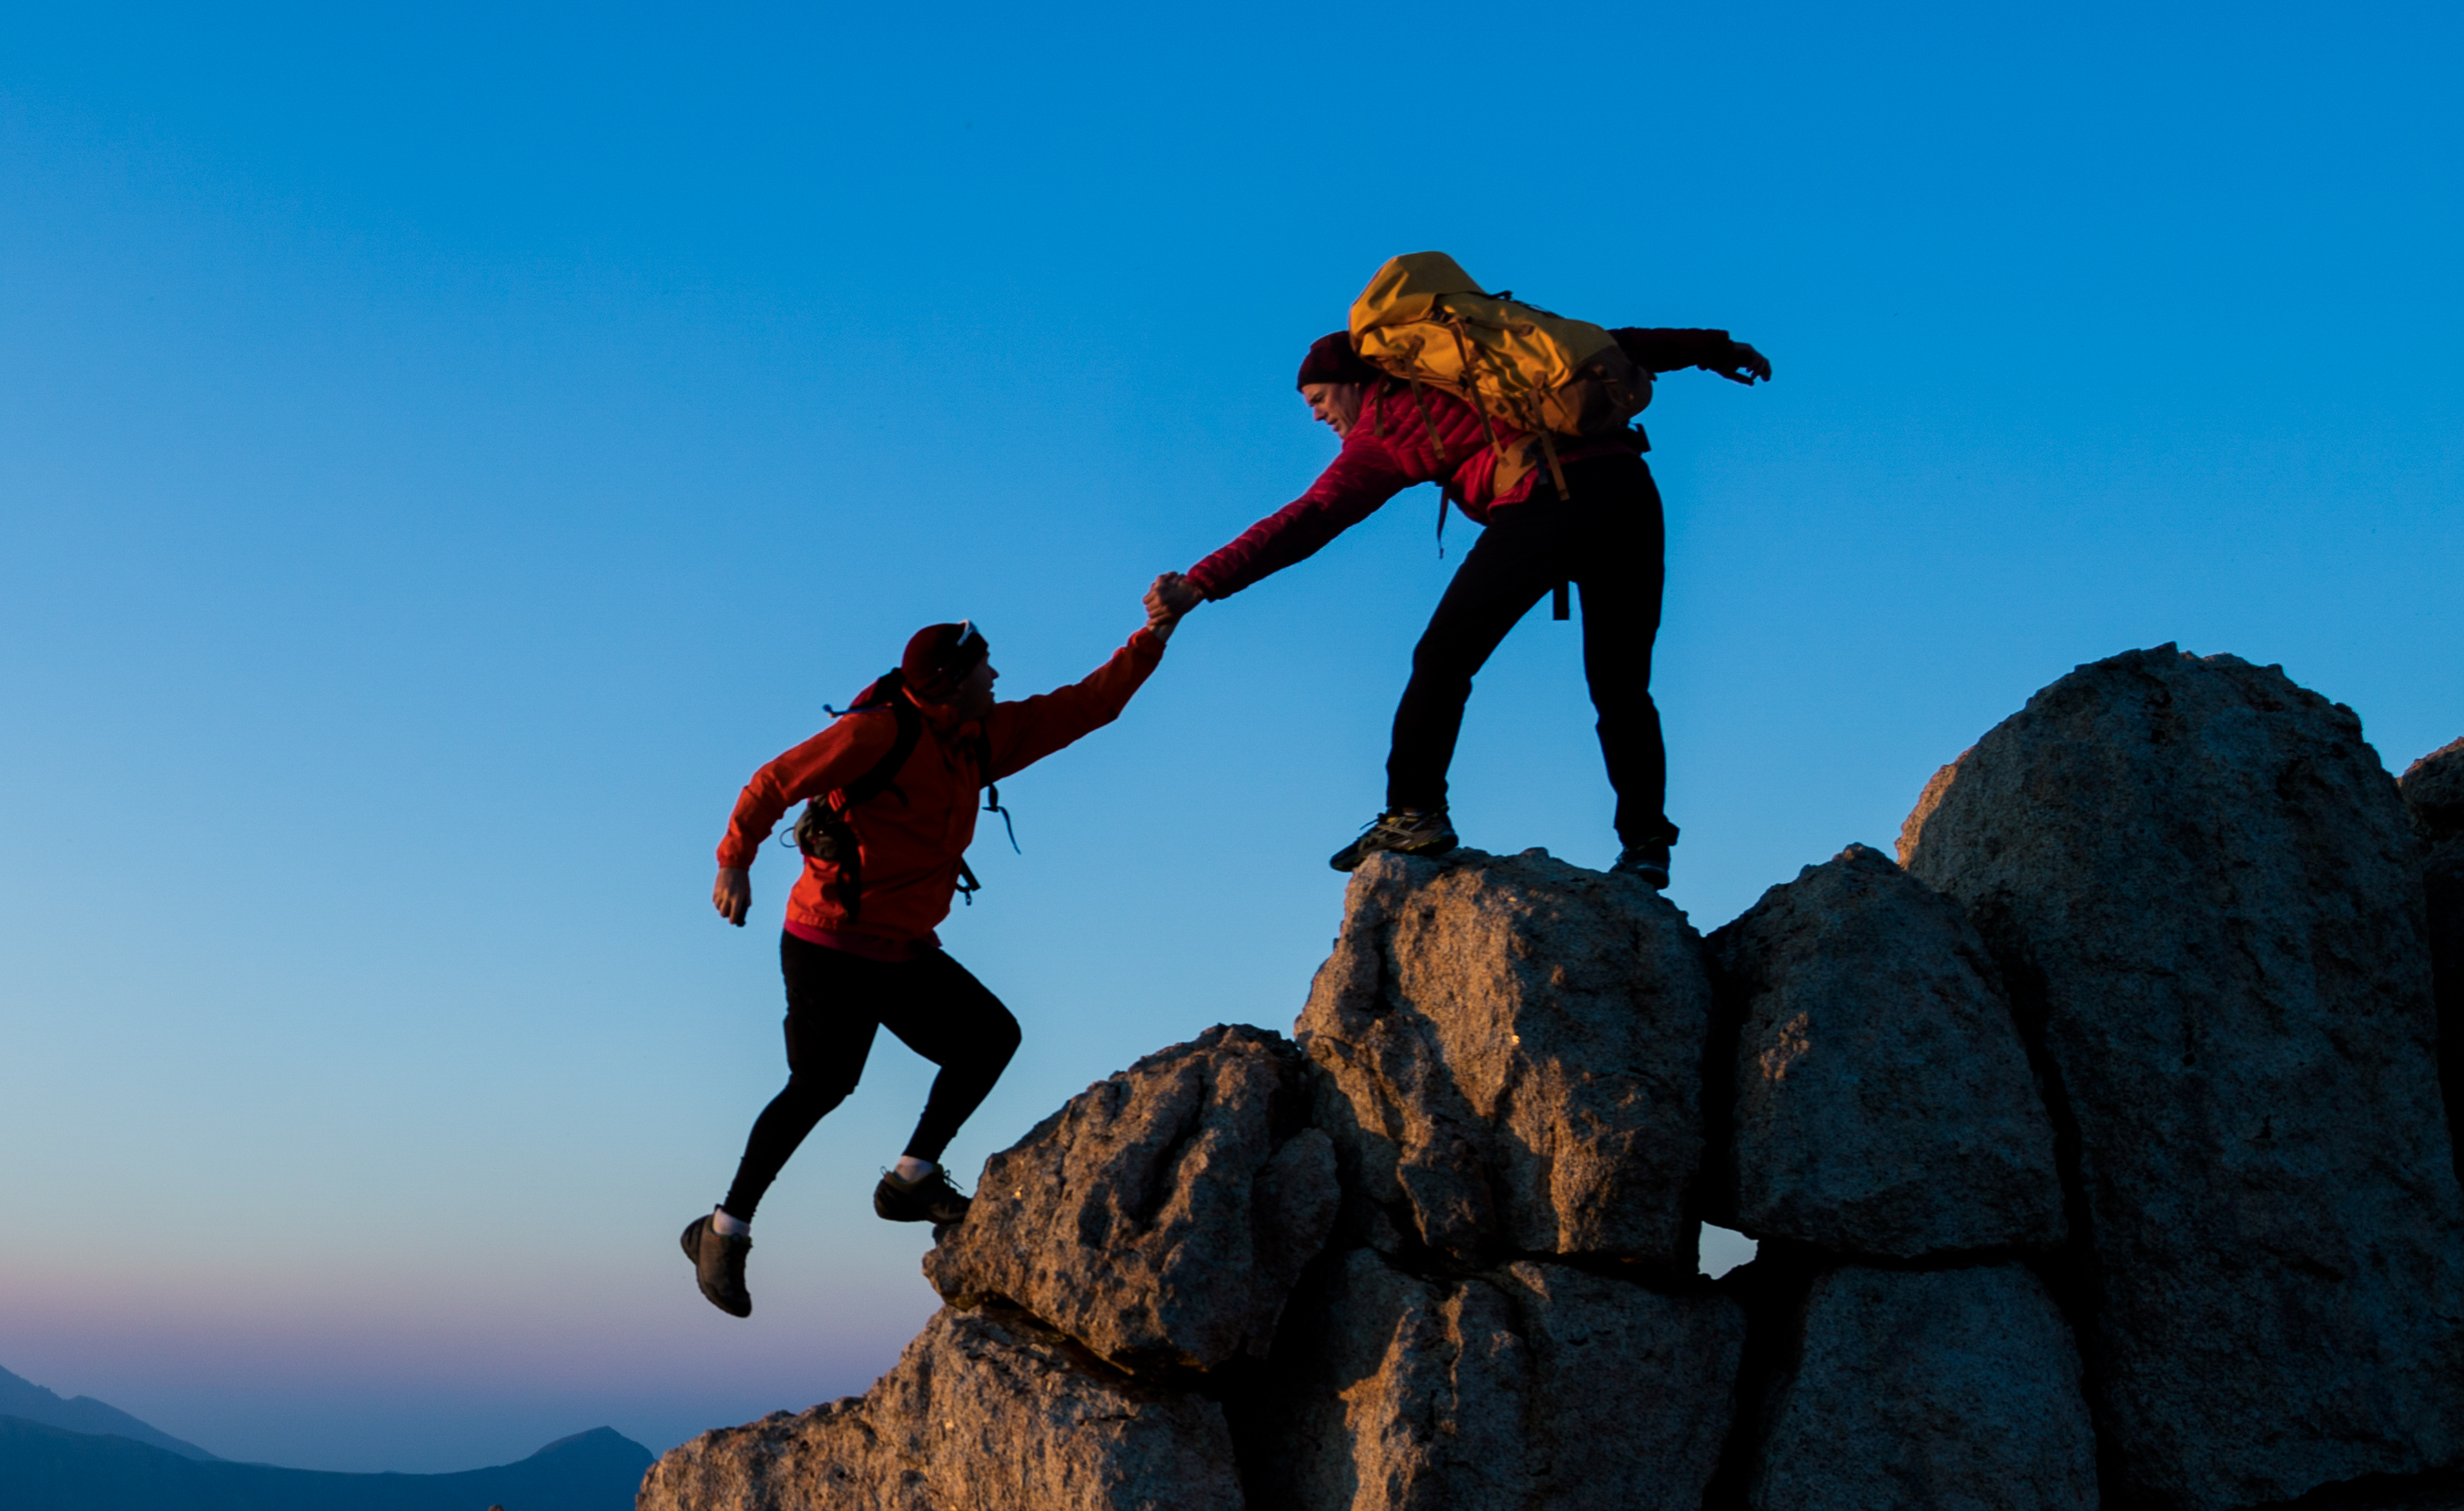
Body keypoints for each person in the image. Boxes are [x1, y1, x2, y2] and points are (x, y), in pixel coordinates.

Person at [1146, 310, 1769, 887]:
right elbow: (1615, 345)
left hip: (1549, 498)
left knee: (1443, 657)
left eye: (1316, 399)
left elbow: (1309, 518)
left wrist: (1202, 582)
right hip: (1630, 491)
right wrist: (1717, 349)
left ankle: (1413, 811)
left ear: (1353, 383)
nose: (1315, 416)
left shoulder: (1385, 428)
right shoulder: (1475, 366)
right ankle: (1646, 846)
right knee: (1621, 685)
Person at [684, 610, 1175, 1318]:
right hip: (828, 942)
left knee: (989, 1038)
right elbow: (771, 782)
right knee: (822, 1085)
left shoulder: (978, 740)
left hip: (901, 947)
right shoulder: (876, 733)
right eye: (985, 667)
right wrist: (734, 861)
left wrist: (1154, 635)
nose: (997, 676)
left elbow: (1087, 706)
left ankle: (910, 1179)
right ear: (950, 681)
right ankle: (722, 1231)